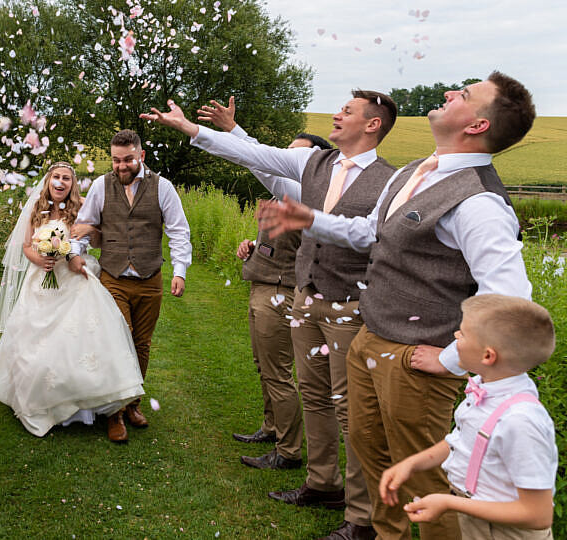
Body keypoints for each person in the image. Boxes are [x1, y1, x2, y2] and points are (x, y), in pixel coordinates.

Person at [258, 73, 537, 540]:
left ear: (477, 124)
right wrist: (311, 219)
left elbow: (509, 303)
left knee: (422, 485)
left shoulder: (480, 202)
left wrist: (451, 360)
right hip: (371, 338)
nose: (450, 93)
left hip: (416, 362)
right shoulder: (413, 171)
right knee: (377, 465)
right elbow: (371, 233)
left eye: (463, 95)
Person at [142, 92, 398, 540]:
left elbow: (366, 236)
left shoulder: (389, 181)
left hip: (350, 306)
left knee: (350, 409)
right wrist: (190, 129)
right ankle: (322, 483)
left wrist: (307, 218)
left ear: (372, 125)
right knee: (314, 396)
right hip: (306, 297)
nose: (337, 115)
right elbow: (256, 156)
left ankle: (363, 517)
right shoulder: (316, 164)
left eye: (348, 111)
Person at [0, 162, 145, 437]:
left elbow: (100, 241)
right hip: (43, 282)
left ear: (72, 183)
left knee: (81, 340)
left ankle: (94, 403)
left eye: (66, 178)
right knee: (37, 342)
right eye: (57, 177)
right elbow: (27, 246)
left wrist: (88, 231)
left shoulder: (83, 205)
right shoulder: (36, 209)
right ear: (49, 180)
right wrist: (40, 259)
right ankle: (44, 400)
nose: (61, 182)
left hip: (75, 279)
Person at [379, 295, 555, 539]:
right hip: (477, 518)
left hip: (506, 532)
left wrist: (450, 503)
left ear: (487, 356)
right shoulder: (486, 388)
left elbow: (538, 514)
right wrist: (412, 464)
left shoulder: (520, 421)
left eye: (462, 333)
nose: (455, 337)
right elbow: (464, 442)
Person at [67, 129, 192, 442]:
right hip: (113, 277)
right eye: (115, 160)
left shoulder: (163, 187)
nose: (121, 166)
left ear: (142, 156)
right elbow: (84, 226)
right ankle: (115, 414)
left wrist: (180, 271)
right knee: (118, 341)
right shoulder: (101, 185)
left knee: (142, 344)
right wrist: (75, 254)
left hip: (150, 279)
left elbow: (178, 231)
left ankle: (134, 402)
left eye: (127, 160)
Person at [230, 129, 333, 471]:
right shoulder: (281, 198)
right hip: (261, 283)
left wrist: (233, 132)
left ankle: (288, 451)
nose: (287, 159)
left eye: (297, 154)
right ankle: (272, 428)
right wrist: (251, 245)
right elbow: (278, 242)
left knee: (278, 373)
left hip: (280, 291)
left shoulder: (308, 198)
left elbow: (259, 161)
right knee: (265, 367)